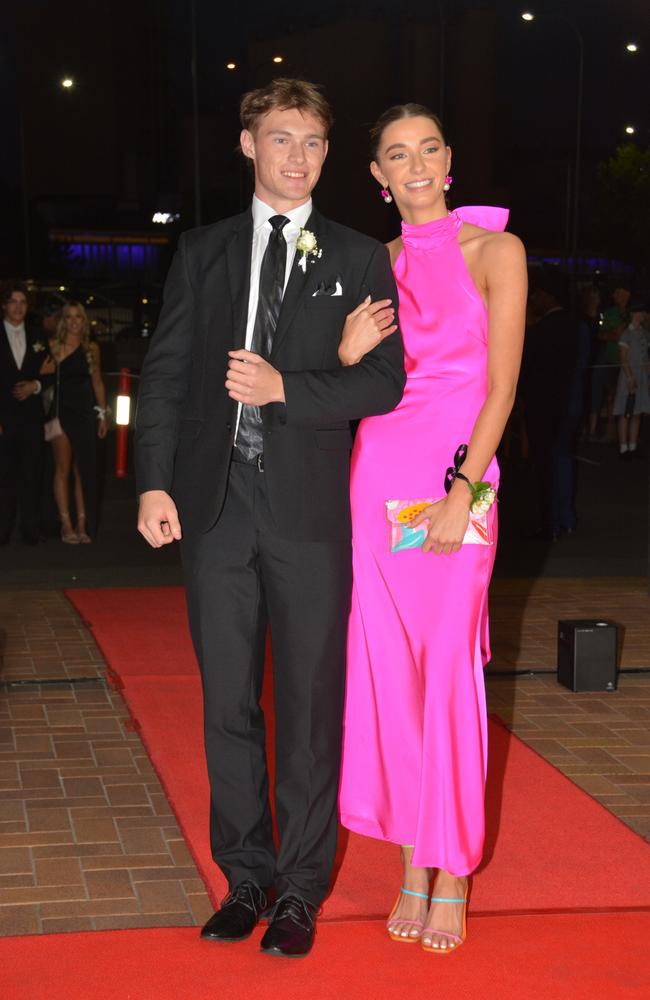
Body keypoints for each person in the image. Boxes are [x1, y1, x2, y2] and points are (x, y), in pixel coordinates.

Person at [135, 78, 405, 957]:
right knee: (227, 706)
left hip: (307, 513)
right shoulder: (204, 251)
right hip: (214, 508)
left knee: (310, 706)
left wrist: (291, 386)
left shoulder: (361, 255)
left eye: (315, 142)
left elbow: (382, 383)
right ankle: (244, 877)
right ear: (248, 144)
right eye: (282, 138)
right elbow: (167, 374)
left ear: (329, 154)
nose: (299, 156)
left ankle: (300, 890)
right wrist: (153, 483)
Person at [338, 104, 527, 954]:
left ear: (448, 159)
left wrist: (461, 489)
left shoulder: (497, 251)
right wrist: (341, 354)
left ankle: (453, 871)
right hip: (379, 479)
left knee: (449, 664)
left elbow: (502, 388)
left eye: (427, 149)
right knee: (395, 675)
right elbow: (350, 383)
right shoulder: (368, 265)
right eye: (395, 156)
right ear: (378, 177)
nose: (413, 165)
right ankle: (415, 859)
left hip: (460, 479)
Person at [520, 268, 580, 538]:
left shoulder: (540, 330)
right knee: (564, 459)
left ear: (548, 296)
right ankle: (566, 519)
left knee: (544, 464)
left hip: (542, 406)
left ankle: (549, 523)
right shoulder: (579, 327)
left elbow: (525, 369)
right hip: (571, 404)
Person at [49, 302, 108, 542]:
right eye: (69, 317)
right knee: (62, 468)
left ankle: (82, 524)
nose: (74, 321)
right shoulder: (54, 346)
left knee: (82, 470)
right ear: (63, 321)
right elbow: (42, 377)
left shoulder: (91, 348)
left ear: (84, 321)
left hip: (84, 413)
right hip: (60, 413)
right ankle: (66, 524)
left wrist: (102, 414)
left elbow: (97, 382)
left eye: (78, 317)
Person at [0, 281, 54, 544]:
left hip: (32, 419)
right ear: (4, 305)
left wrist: (36, 384)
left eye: (23, 302)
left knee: (32, 475)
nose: (18, 307)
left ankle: (31, 530)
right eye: (13, 301)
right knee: (4, 477)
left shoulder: (39, 337)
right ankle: (3, 529)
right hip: (3, 420)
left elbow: (53, 373)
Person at [589, 281, 631, 441]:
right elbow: (602, 335)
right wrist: (615, 333)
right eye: (617, 293)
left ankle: (626, 434)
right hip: (612, 360)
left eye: (622, 292)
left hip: (630, 360)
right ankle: (609, 430)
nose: (619, 296)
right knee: (610, 394)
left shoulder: (634, 312)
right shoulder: (609, 313)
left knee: (626, 396)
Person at [612, 299, 649, 458]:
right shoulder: (626, 333)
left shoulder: (645, 333)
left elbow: (646, 357)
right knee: (625, 411)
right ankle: (623, 447)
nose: (644, 315)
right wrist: (629, 377)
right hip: (628, 377)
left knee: (637, 412)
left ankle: (633, 446)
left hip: (641, 376)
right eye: (641, 312)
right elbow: (623, 358)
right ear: (634, 313)